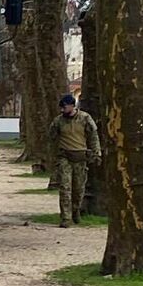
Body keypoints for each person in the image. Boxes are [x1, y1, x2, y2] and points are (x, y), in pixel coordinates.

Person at [48, 94, 101, 228]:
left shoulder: (85, 118)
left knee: (78, 189)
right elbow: (51, 138)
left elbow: (93, 136)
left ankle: (75, 211)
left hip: (80, 157)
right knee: (65, 187)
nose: (62, 110)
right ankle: (66, 217)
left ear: (72, 106)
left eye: (64, 107)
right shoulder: (58, 121)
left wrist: (96, 153)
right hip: (64, 157)